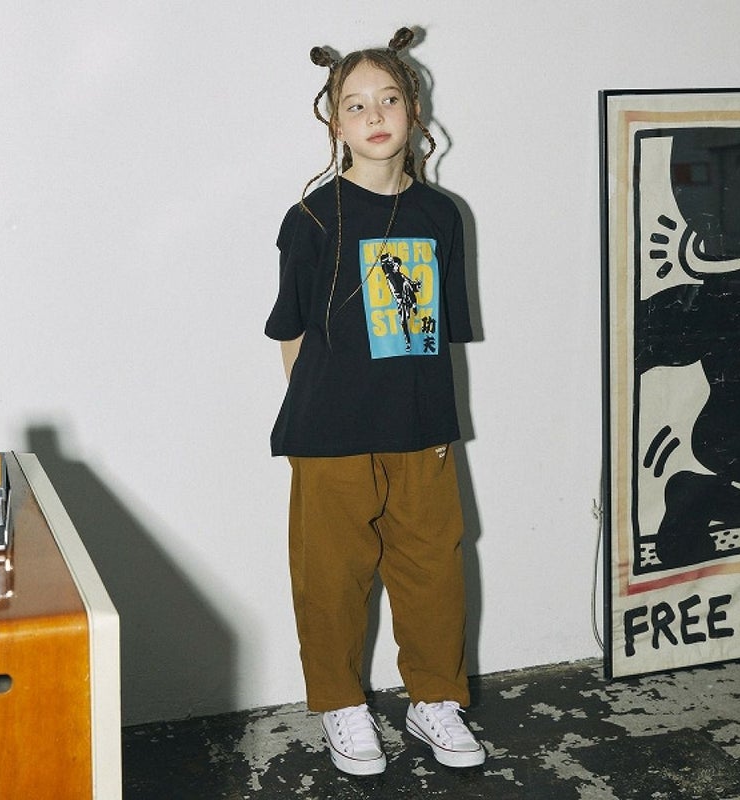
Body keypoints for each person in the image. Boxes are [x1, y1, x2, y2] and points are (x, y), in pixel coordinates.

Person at [264, 26, 484, 776]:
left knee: (434, 569)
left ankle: (435, 700)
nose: (374, 115)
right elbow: (290, 333)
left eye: (388, 98)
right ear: (335, 122)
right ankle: (342, 704)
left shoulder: (442, 215)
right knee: (331, 579)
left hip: (420, 429)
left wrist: (440, 423)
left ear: (414, 110)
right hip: (329, 434)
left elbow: (437, 334)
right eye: (355, 104)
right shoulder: (311, 217)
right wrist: (319, 417)